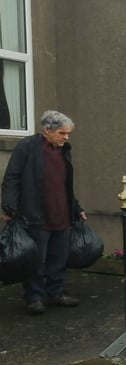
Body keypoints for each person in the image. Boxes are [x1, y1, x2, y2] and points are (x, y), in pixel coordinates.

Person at [1, 110, 86, 315]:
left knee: (58, 259)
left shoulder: (64, 151)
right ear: (47, 130)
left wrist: (76, 209)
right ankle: (34, 298)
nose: (66, 137)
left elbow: (66, 185)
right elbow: (12, 178)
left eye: (68, 134)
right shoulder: (28, 147)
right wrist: (9, 208)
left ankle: (55, 293)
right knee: (36, 260)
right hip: (36, 216)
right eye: (62, 133)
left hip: (61, 215)